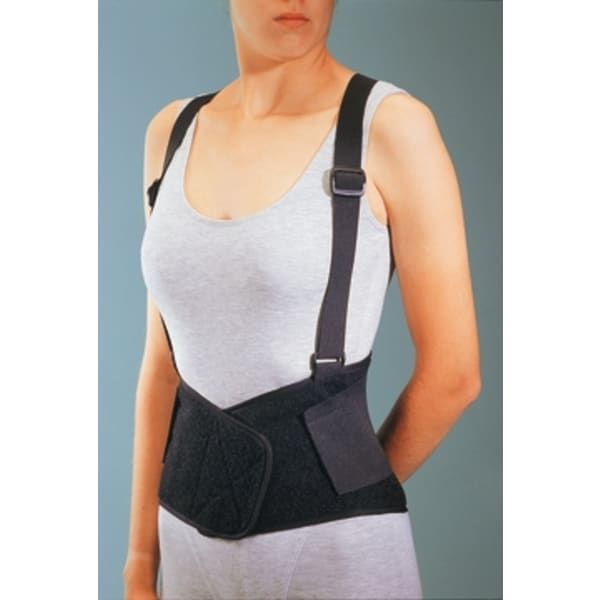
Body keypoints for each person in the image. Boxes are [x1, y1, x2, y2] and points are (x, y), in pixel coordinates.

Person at [123, 1, 481, 598]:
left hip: (334, 557)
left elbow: (454, 376)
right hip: (185, 550)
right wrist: (139, 561)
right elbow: (164, 367)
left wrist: (332, 488)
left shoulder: (390, 127)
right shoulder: (172, 133)